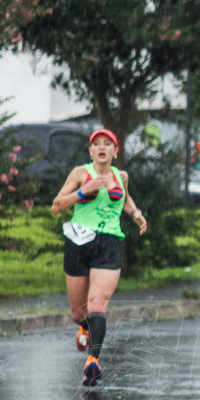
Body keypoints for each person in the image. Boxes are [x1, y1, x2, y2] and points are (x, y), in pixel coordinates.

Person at [51, 129, 147, 386]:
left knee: (97, 303)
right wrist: (84, 191)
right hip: (78, 241)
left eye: (108, 144)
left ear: (116, 152)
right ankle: (83, 327)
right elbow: (56, 206)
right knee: (77, 311)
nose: (102, 147)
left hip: (108, 243)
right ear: (90, 151)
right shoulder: (80, 174)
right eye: (96, 144)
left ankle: (92, 361)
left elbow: (124, 198)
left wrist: (136, 213)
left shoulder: (121, 176)